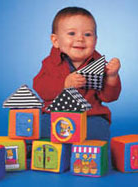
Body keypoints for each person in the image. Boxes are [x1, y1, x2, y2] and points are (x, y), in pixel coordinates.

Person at [33, 7, 121, 141]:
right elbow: (41, 88)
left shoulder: (99, 65)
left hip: (90, 116)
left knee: (99, 129)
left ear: (95, 41)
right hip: (56, 114)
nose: (80, 38)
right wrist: (64, 84)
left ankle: (99, 160)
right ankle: (34, 153)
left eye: (87, 34)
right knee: (37, 127)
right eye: (72, 33)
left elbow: (109, 97)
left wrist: (112, 76)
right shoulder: (50, 63)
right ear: (56, 41)